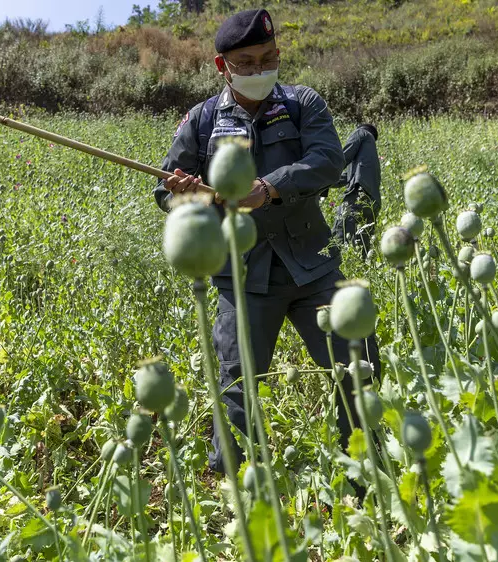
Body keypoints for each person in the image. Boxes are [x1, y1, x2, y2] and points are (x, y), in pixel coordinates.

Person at [153, 8, 380, 475]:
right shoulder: (201, 120)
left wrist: (270, 187)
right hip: (241, 278)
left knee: (358, 369)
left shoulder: (302, 103)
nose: (260, 70)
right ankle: (235, 489)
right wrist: (187, 194)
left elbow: (327, 160)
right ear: (223, 66)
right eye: (247, 62)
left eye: (269, 58)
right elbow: (165, 190)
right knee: (237, 390)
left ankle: (366, 476)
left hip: (312, 267)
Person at [331, 124, 381, 252]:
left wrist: (320, 174)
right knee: (362, 246)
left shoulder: (361, 133)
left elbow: (343, 158)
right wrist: (321, 183)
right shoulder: (369, 158)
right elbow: (345, 177)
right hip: (373, 204)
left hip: (358, 196)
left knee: (339, 238)